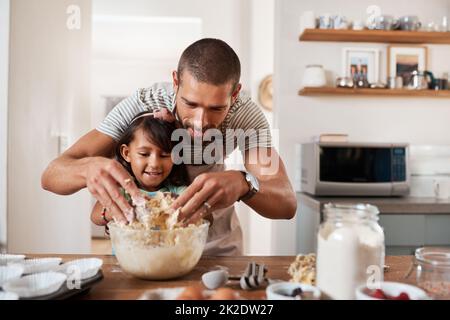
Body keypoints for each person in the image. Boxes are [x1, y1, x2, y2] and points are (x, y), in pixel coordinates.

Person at [42, 38, 297, 256]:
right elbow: (51, 176)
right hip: (147, 251)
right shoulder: (143, 102)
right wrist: (87, 168)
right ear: (175, 82)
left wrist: (244, 183)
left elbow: (286, 204)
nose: (201, 122)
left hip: (217, 251)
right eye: (190, 104)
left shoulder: (246, 117)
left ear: (235, 94)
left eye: (217, 108)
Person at [90, 112, 188, 227]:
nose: (155, 164)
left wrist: (177, 208)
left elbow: (208, 217)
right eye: (144, 154)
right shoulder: (122, 191)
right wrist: (126, 210)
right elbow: (95, 216)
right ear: (127, 153)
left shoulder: (177, 192)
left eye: (164, 155)